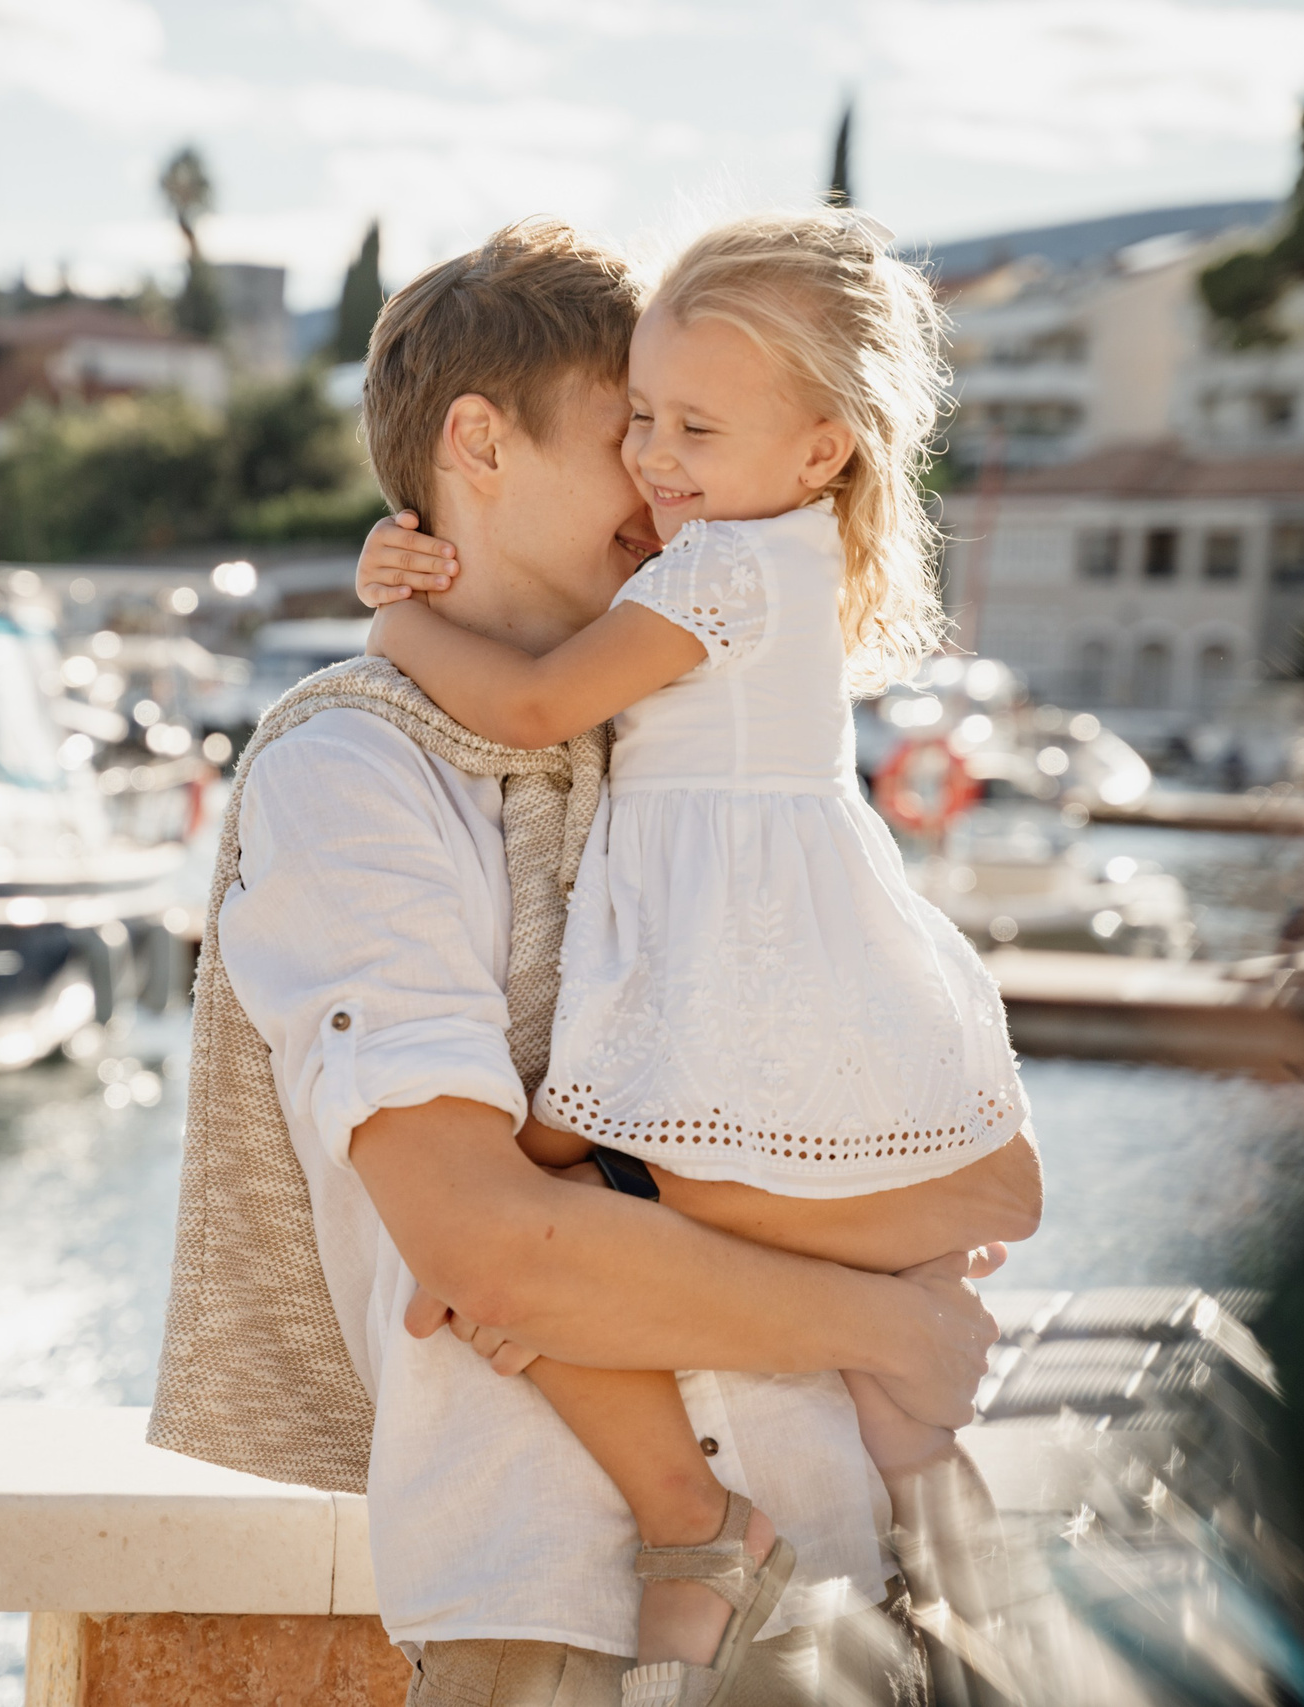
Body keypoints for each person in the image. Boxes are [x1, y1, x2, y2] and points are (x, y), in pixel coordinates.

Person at [147, 218, 1042, 1707]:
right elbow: (491, 1253)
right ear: (479, 444)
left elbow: (983, 1187)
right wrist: (893, 1318)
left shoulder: (674, 734)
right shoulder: (353, 771)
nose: (663, 475)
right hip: (563, 1604)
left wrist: (623, 1233)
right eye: (628, 429)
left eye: (682, 425)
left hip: (839, 1563)